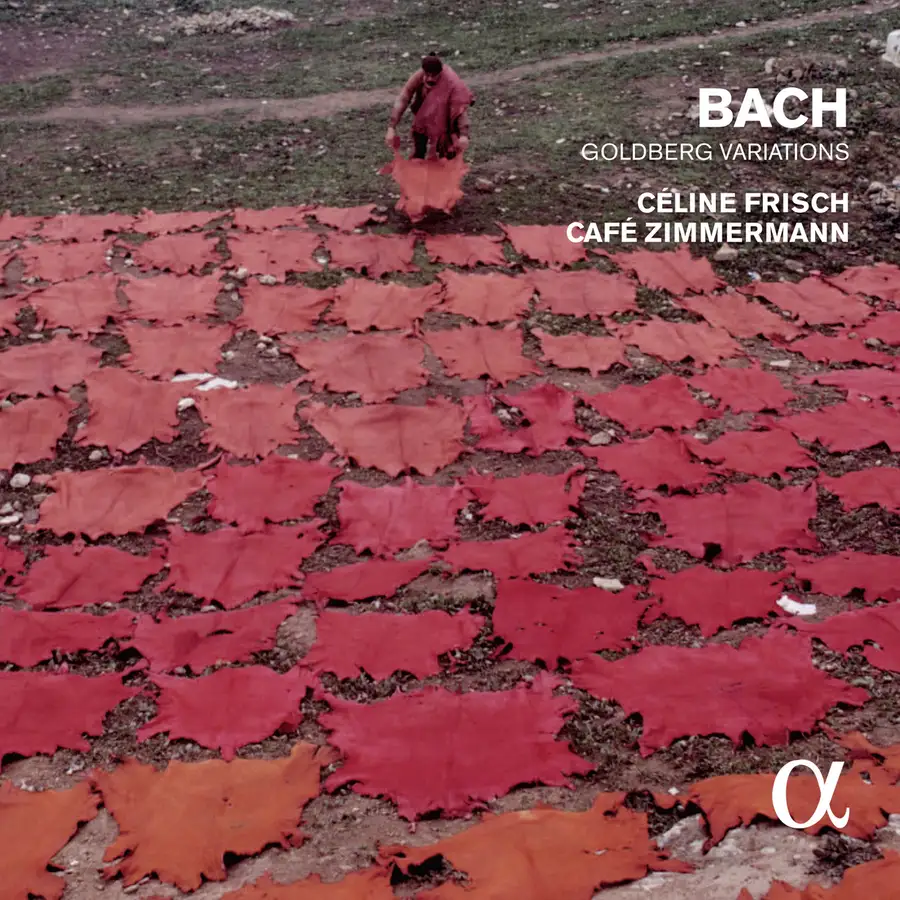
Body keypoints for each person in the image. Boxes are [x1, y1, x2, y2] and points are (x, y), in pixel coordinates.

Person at [385, 53, 474, 160]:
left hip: (445, 118)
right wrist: (391, 127)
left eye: (434, 76)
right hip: (423, 117)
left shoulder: (452, 82)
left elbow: (460, 109)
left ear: (440, 73)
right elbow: (404, 98)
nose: (430, 79)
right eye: (427, 75)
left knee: (446, 154)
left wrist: (464, 135)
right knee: (418, 149)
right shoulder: (419, 75)